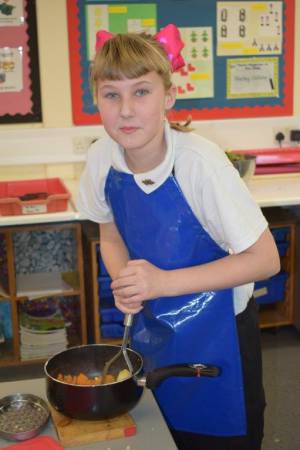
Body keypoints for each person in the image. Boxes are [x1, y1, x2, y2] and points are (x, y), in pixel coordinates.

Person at [77, 24, 280, 450]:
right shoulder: (101, 157)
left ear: (168, 97)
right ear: (97, 98)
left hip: (220, 330)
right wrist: (126, 280)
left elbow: (265, 260)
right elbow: (109, 229)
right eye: (112, 94)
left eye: (142, 92)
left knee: (221, 437)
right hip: (156, 326)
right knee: (161, 431)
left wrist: (163, 283)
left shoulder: (198, 164)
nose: (126, 110)